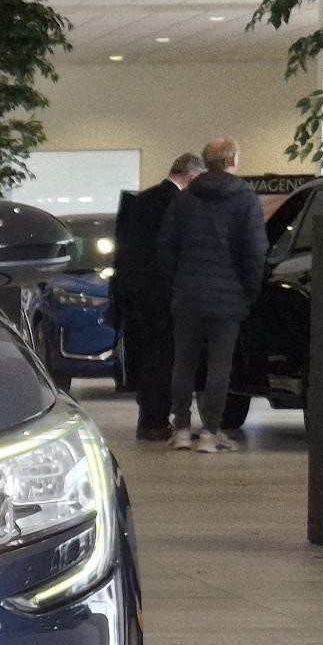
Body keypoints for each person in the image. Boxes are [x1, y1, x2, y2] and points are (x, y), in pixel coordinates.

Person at [158, 138, 266, 453]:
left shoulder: (186, 198)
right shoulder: (245, 198)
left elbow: (165, 245)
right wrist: (249, 290)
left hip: (187, 293)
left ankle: (181, 429)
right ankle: (210, 433)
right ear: (232, 161)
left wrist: (177, 280)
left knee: (184, 362)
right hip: (228, 297)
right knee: (220, 365)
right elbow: (255, 251)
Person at [113, 152, 204, 440]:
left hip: (136, 293)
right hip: (164, 295)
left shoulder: (140, 200)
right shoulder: (178, 204)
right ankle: (155, 421)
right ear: (192, 178)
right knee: (164, 358)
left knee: (147, 355)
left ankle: (149, 417)